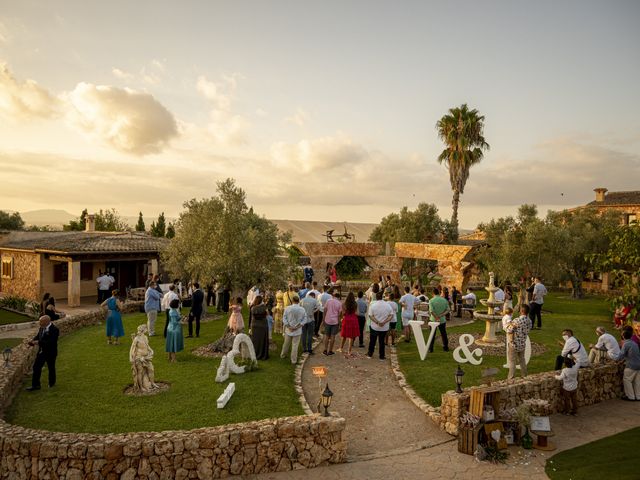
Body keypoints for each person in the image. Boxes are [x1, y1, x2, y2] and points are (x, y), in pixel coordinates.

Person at [26, 315, 59, 391]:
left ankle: (51, 383)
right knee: (36, 367)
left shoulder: (54, 330)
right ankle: (36, 385)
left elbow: (51, 342)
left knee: (51, 368)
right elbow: (38, 337)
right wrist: (32, 341)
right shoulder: (41, 328)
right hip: (42, 352)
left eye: (41, 321)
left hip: (51, 352)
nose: (39, 323)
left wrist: (39, 342)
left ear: (47, 322)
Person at [505, 305, 531, 379]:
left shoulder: (516, 320)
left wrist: (508, 325)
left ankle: (511, 377)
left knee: (512, 361)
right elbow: (528, 330)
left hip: (514, 343)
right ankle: (524, 375)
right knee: (522, 360)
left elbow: (509, 330)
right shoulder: (529, 321)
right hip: (522, 343)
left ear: (521, 311)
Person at [614, 327, 640, 400]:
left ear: (623, 336)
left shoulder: (626, 344)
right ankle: (638, 396)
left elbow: (620, 356)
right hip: (638, 365)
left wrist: (614, 359)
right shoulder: (634, 343)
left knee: (627, 380)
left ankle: (630, 396)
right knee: (637, 381)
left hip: (631, 365)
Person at [367, 291, 393, 360]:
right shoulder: (387, 305)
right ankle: (381, 356)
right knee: (382, 341)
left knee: (372, 341)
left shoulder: (373, 305)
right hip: (384, 327)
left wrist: (377, 322)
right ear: (382, 297)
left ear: (376, 297)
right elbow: (391, 315)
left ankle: (370, 354)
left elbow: (370, 316)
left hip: (374, 326)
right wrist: (384, 322)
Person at [281, 295, 307, 364]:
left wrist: (289, 326)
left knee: (286, 343)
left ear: (292, 301)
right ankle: (293, 360)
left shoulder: (287, 308)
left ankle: (283, 355)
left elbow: (284, 318)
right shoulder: (302, 309)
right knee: (295, 345)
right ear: (298, 301)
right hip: (297, 330)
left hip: (289, 329)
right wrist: (297, 327)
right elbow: (304, 320)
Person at [427, 287, 450, 353]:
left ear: (433, 293)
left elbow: (431, 311)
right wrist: (442, 315)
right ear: (439, 293)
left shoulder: (431, 300)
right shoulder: (444, 300)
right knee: (443, 334)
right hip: (442, 319)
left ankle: (430, 349)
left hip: (433, 320)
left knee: (432, 334)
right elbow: (448, 310)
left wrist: (436, 317)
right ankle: (446, 347)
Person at [338, 292, 360, 357]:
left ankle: (341, 348)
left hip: (346, 319)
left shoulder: (344, 304)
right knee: (351, 336)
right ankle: (349, 351)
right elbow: (357, 313)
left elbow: (343, 313)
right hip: (353, 319)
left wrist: (341, 318)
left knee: (344, 335)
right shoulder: (355, 304)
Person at [322, 289, 342, 355]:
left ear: (333, 296)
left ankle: (325, 350)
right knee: (333, 336)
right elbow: (339, 315)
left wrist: (323, 319)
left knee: (327, 336)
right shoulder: (339, 303)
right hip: (335, 321)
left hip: (327, 320)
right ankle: (330, 350)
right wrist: (340, 324)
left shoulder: (328, 301)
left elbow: (325, 310)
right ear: (338, 297)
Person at [249, 295, 269, 360]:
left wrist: (250, 327)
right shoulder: (264, 307)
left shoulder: (252, 308)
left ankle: (255, 353)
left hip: (255, 325)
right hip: (263, 325)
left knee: (255, 341)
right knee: (263, 340)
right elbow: (268, 314)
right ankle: (263, 354)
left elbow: (251, 317)